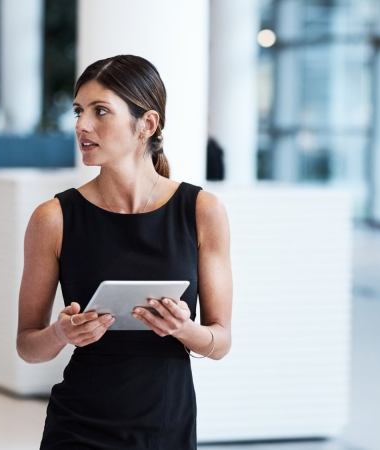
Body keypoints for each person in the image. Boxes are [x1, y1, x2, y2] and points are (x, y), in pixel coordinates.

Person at [16, 55, 233, 449]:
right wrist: (61, 333)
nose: (82, 125)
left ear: (146, 124)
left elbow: (220, 342)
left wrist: (183, 329)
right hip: (77, 428)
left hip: (167, 426)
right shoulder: (53, 218)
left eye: (100, 111)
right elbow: (28, 346)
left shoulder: (202, 211)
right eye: (79, 111)